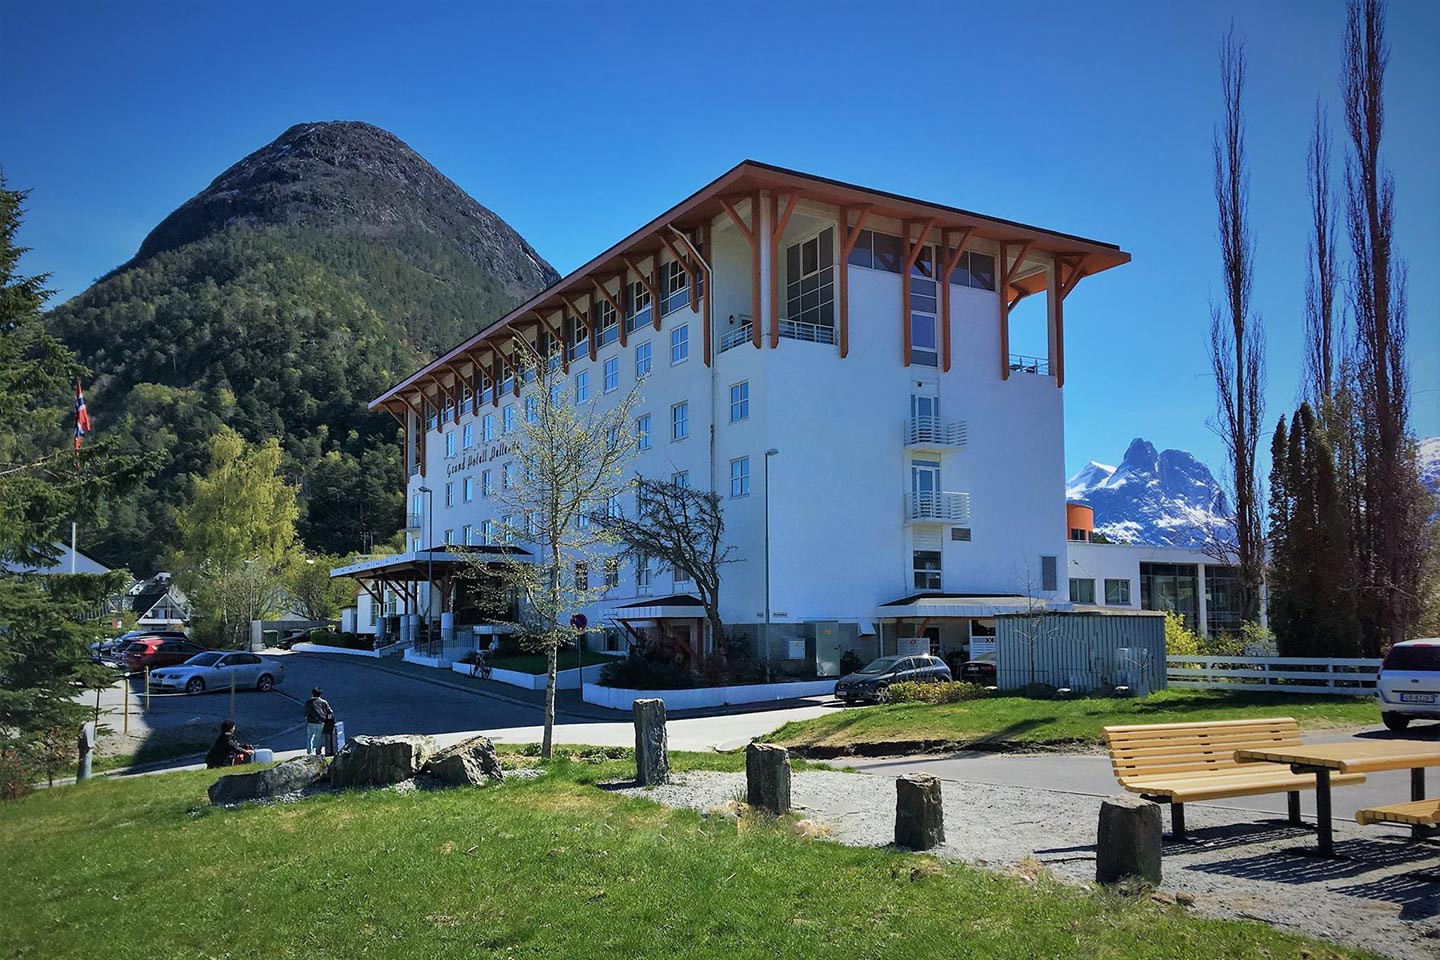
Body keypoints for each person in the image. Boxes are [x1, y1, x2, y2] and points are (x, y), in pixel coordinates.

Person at [305, 687, 334, 755]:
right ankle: (318, 751)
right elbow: (330, 711)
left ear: (312, 694)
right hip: (321, 722)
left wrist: (306, 717)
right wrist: (328, 720)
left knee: (310, 738)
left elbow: (305, 712)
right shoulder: (323, 702)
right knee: (319, 738)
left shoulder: (308, 702)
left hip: (311, 722)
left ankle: (310, 752)